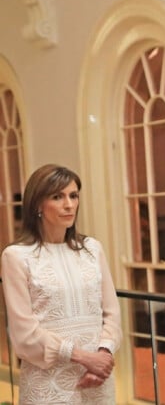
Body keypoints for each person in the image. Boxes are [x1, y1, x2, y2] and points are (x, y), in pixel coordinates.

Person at [1, 164, 122, 404]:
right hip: (47, 384)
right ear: (37, 204)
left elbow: (112, 312)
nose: (69, 204)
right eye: (57, 197)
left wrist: (103, 355)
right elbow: (24, 335)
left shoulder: (92, 249)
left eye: (73, 195)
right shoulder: (16, 256)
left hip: (98, 379)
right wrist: (83, 357)